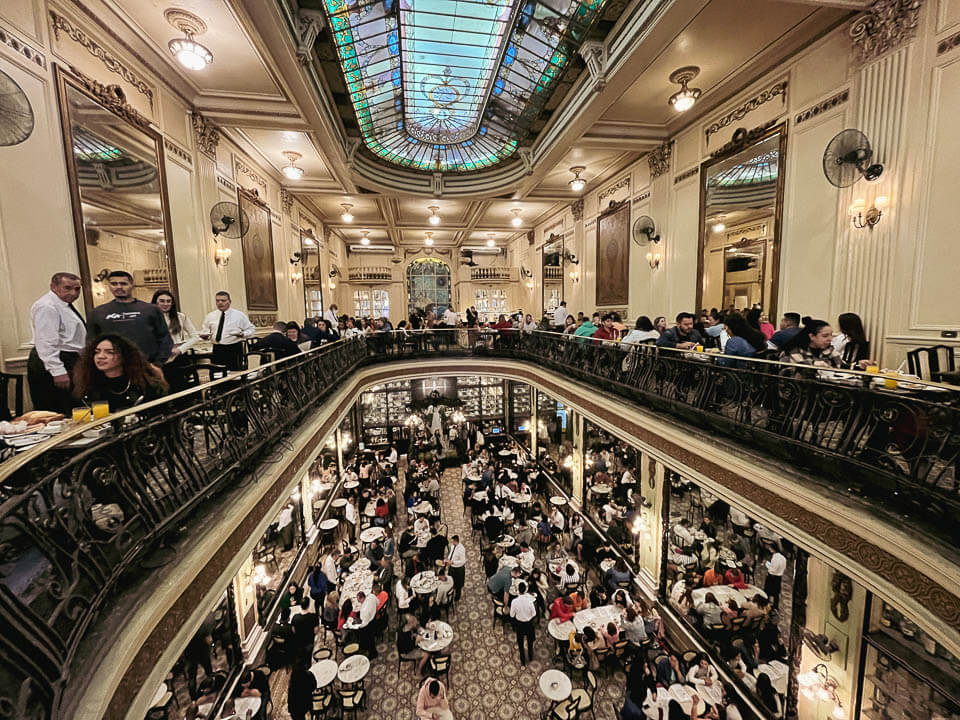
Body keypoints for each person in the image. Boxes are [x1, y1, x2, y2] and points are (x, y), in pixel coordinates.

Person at [86, 270, 173, 365]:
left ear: (132, 284)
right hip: (112, 367)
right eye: (114, 284)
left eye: (123, 283)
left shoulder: (151, 310)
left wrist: (158, 363)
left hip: (146, 366)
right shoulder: (98, 313)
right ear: (109, 286)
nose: (119, 287)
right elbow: (91, 342)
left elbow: (164, 338)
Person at [28, 272, 86, 413]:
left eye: (77, 289)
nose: (73, 293)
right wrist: (57, 371)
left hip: (68, 358)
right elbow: (46, 341)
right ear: (53, 287)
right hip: (55, 360)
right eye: (67, 288)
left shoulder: (63, 304)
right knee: (57, 409)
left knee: (72, 406)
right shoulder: (47, 306)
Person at [72, 334, 168, 410]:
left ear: (124, 356)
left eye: (109, 352)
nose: (101, 356)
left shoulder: (145, 385)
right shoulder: (87, 385)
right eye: (97, 352)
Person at [779, 318, 870, 369]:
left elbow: (842, 366)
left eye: (831, 335)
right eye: (825, 336)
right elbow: (801, 367)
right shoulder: (795, 349)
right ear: (812, 336)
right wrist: (816, 364)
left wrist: (859, 365)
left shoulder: (828, 349)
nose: (830, 339)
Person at [199, 291, 255, 371]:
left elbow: (251, 329)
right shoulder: (210, 316)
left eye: (223, 300)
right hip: (217, 349)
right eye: (217, 301)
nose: (220, 303)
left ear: (229, 301)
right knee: (217, 374)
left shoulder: (239, 315)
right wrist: (205, 336)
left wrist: (243, 334)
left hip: (233, 348)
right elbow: (205, 330)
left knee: (234, 374)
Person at [510, 580, 537, 665]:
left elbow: (511, 615)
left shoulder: (514, 602)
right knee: (530, 642)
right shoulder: (529, 602)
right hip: (528, 624)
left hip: (519, 625)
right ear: (525, 590)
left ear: (518, 590)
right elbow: (534, 614)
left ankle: (522, 660)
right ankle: (530, 656)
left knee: (520, 644)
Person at [446, 534, 466, 600]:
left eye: (452, 541)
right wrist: (448, 559)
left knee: (458, 584)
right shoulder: (453, 545)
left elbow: (463, 561)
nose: (451, 543)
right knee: (450, 579)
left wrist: (453, 562)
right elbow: (451, 553)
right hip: (452, 567)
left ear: (456, 541)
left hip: (459, 569)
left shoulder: (461, 549)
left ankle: (457, 595)